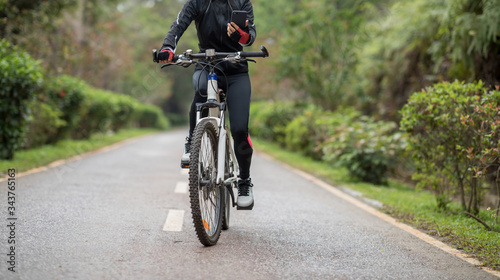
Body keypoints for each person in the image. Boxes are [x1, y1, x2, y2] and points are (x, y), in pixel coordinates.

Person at [157, 0, 256, 209]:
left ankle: (245, 181)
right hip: (207, 64)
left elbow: (250, 37)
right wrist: (167, 47)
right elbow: (178, 24)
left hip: (236, 69)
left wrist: (241, 35)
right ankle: (192, 141)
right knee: (201, 91)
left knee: (239, 129)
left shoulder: (242, 2)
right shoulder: (197, 2)